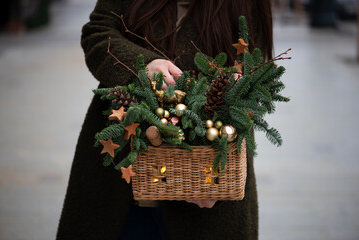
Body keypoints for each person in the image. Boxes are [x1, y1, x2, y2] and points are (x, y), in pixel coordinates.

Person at [56, 0, 273, 239]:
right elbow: (97, 32)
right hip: (118, 183)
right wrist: (141, 66)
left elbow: (252, 71)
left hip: (203, 205)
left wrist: (219, 177)